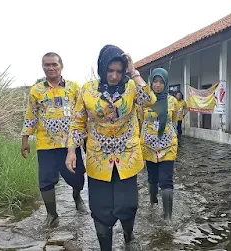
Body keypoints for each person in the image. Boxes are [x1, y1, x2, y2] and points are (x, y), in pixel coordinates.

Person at [65, 45, 156, 251]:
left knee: (127, 205)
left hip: (128, 157)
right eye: (110, 70)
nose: (114, 76)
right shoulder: (87, 89)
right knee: (100, 208)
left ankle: (128, 236)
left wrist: (134, 73)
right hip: (98, 159)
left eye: (119, 71)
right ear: (101, 68)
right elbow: (78, 122)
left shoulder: (131, 87)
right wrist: (72, 151)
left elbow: (149, 100)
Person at [21, 52, 87, 228]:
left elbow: (82, 114)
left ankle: (77, 196)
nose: (50, 68)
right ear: (43, 67)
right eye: (46, 65)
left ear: (61, 66)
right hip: (46, 144)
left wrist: (88, 136)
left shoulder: (74, 88)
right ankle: (52, 214)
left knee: (78, 177)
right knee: (46, 179)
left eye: (54, 64)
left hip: (70, 144)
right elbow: (31, 115)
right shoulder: (36, 90)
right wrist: (25, 138)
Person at [140, 68, 179, 222]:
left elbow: (174, 119)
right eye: (155, 82)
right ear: (151, 83)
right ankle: (152, 202)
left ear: (166, 83)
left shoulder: (172, 101)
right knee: (152, 177)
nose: (157, 85)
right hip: (149, 146)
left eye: (161, 82)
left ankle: (168, 217)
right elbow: (139, 120)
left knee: (166, 179)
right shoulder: (145, 100)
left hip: (168, 145)